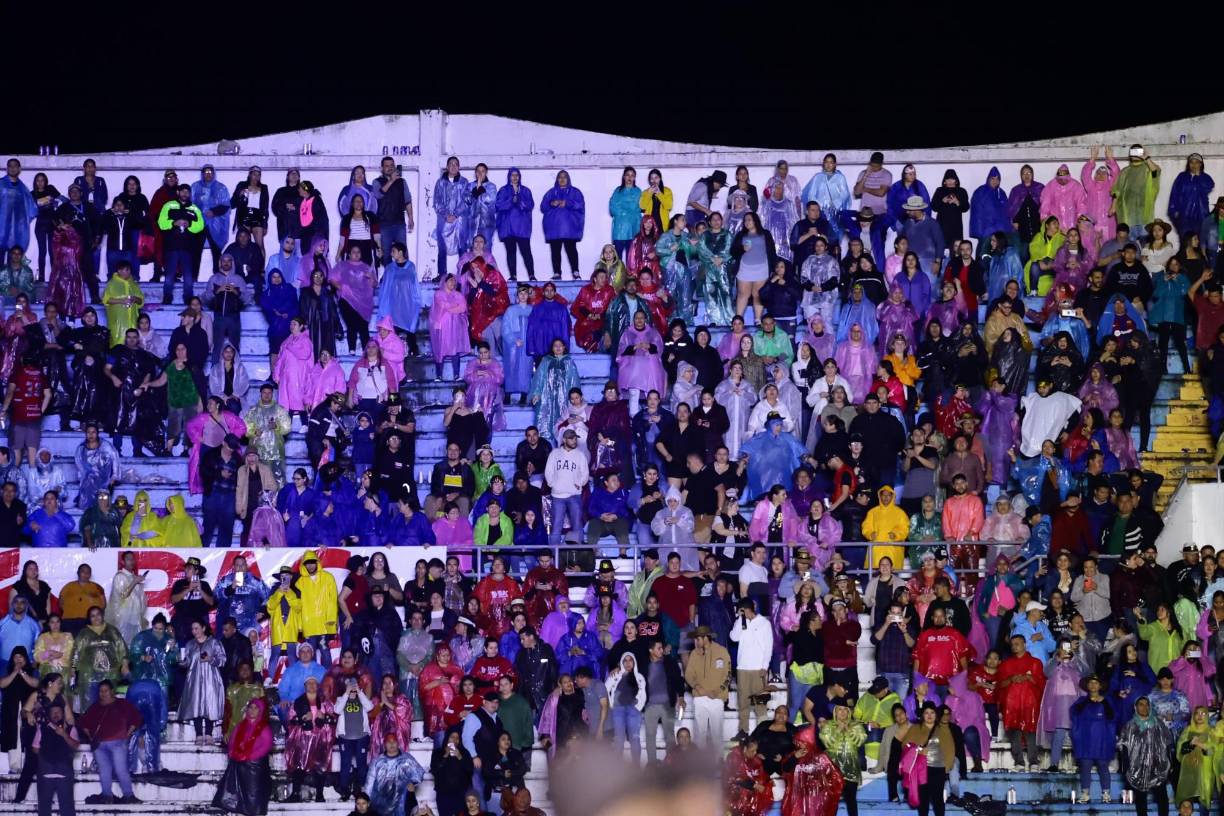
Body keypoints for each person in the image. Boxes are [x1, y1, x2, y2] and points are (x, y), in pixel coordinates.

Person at [77, 680, 141, 804]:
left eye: (105, 691)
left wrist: (127, 734)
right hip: (100, 744)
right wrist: (91, 737)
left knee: (120, 769)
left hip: (117, 742)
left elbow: (136, 718)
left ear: (112, 691)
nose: (103, 694)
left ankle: (127, 795)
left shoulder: (122, 704)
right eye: (101, 691)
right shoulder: (95, 707)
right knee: (105, 770)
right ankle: (107, 795)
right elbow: (83, 723)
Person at [731, 598, 772, 738]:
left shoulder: (764, 623)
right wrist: (739, 620)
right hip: (742, 668)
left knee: (760, 703)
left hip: (757, 669)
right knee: (743, 702)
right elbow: (733, 637)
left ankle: (763, 733)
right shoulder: (741, 622)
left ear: (749, 609)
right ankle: (743, 731)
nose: (743, 613)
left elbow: (768, 646)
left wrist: (765, 666)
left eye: (744, 611)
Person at [781, 725, 844, 816]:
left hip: (818, 799)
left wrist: (823, 788)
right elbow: (786, 770)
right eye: (798, 742)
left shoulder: (821, 758)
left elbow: (835, 777)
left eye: (801, 742)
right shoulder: (795, 755)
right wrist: (794, 758)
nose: (798, 744)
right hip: (799, 798)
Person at [540, 170, 585, 280]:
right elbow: (543, 207)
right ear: (557, 179)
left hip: (570, 228)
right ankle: (557, 273)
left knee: (571, 250)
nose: (562, 179)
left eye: (564, 177)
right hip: (554, 228)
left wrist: (567, 203)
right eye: (560, 177)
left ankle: (575, 271)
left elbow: (580, 205)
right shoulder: (551, 192)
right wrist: (551, 203)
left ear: (568, 178)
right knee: (555, 251)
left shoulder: (575, 192)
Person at [606, 652, 646, 765]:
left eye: (630, 660)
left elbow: (643, 695)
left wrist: (638, 707)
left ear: (634, 662)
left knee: (635, 739)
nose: (628, 663)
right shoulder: (616, 674)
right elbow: (605, 689)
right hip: (618, 710)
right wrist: (611, 705)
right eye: (625, 660)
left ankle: (636, 768)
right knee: (619, 739)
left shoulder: (639, 677)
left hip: (633, 710)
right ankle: (618, 769)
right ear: (622, 662)